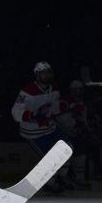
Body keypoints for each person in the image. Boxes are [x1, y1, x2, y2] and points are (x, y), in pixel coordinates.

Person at [11, 62, 72, 194]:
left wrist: (63, 106)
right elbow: (16, 112)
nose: (47, 75)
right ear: (37, 75)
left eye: (49, 72)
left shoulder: (54, 88)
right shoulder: (27, 92)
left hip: (49, 126)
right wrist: (32, 116)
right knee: (50, 157)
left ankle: (62, 178)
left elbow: (54, 108)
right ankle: (50, 184)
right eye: (44, 73)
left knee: (68, 148)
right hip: (33, 132)